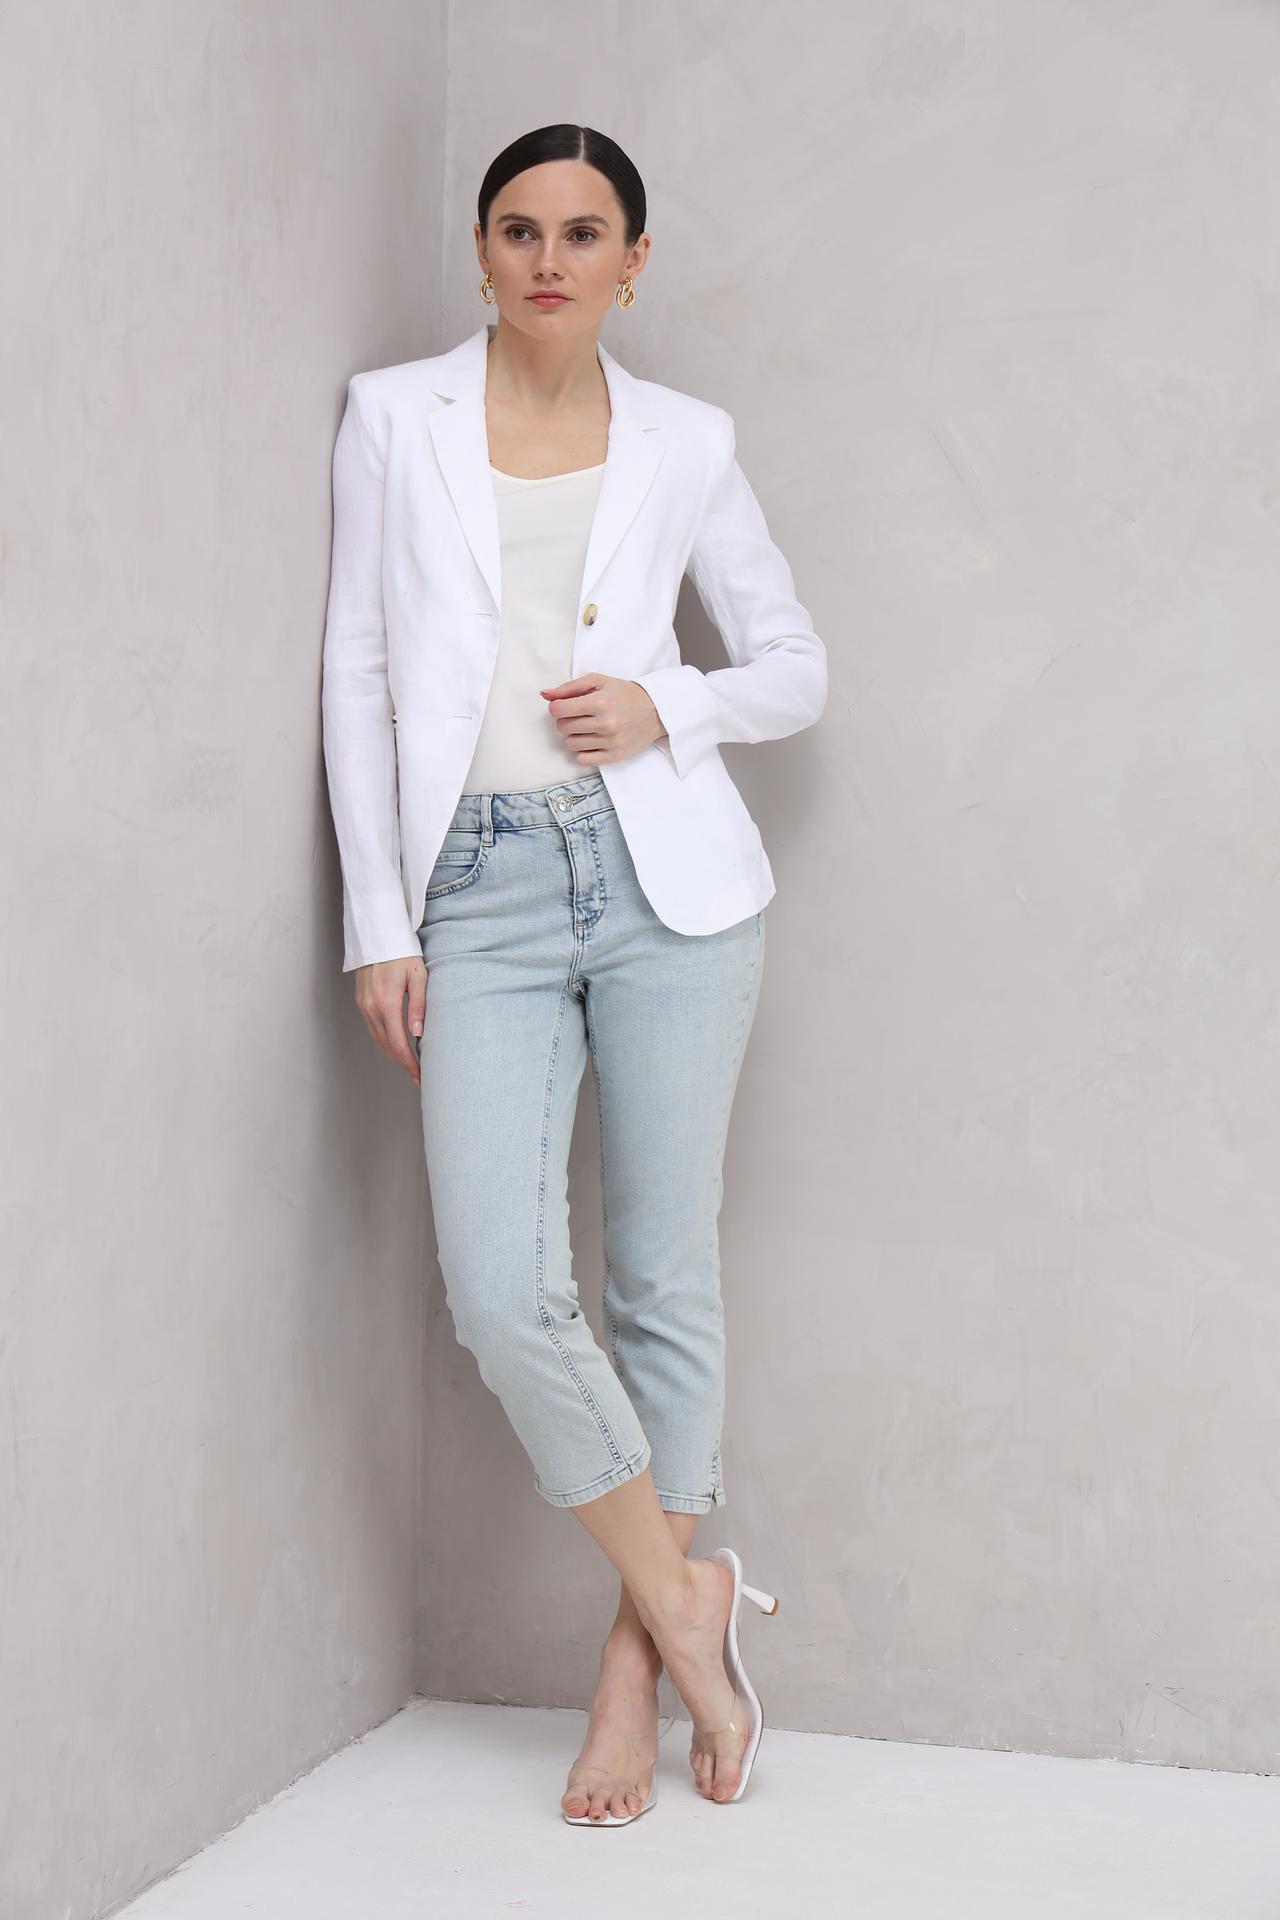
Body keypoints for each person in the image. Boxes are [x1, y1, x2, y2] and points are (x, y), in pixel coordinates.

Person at [320, 123, 826, 1825]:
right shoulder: (394, 416)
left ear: (634, 262)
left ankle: (631, 1671)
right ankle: (692, 1605)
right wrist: (380, 920)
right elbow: (358, 668)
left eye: (585, 232)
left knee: (663, 1276)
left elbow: (794, 666)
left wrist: (666, 702)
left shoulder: (689, 439)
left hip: (671, 881)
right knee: (500, 1288)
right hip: (477, 887)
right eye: (521, 229)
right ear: (480, 254)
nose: (550, 258)